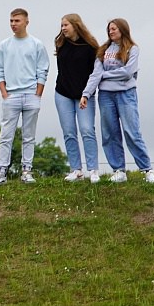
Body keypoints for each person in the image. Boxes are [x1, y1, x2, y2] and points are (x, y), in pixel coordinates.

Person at [80, 18, 154, 184]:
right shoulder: (103, 50)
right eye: (109, 29)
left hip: (126, 94)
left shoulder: (133, 49)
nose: (111, 32)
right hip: (106, 95)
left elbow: (128, 72)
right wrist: (86, 94)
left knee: (132, 132)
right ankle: (119, 170)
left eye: (114, 29)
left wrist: (106, 75)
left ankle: (147, 169)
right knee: (110, 133)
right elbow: (96, 74)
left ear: (123, 30)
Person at [0, 8, 49, 186]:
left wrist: (38, 93)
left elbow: (43, 70)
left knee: (28, 135)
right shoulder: (4, 45)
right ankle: (1, 172)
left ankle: (26, 170)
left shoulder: (37, 44)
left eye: (17, 21)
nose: (13, 24)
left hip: (31, 94)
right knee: (5, 135)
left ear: (26, 22)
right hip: (11, 96)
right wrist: (4, 92)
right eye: (11, 21)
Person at [54, 14, 101, 183]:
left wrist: (86, 94)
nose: (63, 28)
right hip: (62, 93)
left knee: (87, 130)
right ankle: (76, 170)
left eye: (66, 25)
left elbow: (95, 73)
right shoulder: (60, 43)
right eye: (62, 25)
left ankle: (93, 169)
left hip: (84, 96)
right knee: (69, 132)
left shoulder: (90, 46)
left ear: (75, 25)